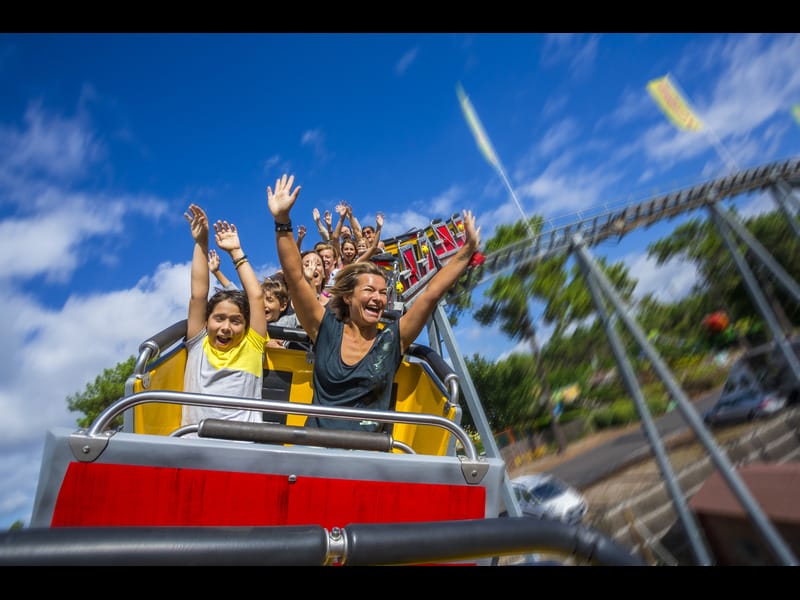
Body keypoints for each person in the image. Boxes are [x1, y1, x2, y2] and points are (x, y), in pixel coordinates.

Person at [266, 173, 481, 432]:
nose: (378, 298)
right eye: (369, 290)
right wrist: (282, 221)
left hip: (369, 449)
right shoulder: (325, 329)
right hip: (317, 445)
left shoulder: (391, 340)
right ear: (348, 297)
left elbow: (431, 293)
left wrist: (467, 250)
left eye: (382, 293)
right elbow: (295, 277)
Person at [181, 204, 268, 431]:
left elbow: (256, 296)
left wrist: (236, 252)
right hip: (194, 443)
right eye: (219, 318)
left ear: (246, 326)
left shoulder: (252, 345)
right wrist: (202, 242)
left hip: (241, 446)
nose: (226, 327)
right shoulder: (198, 344)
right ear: (206, 321)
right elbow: (198, 295)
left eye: (235, 321)